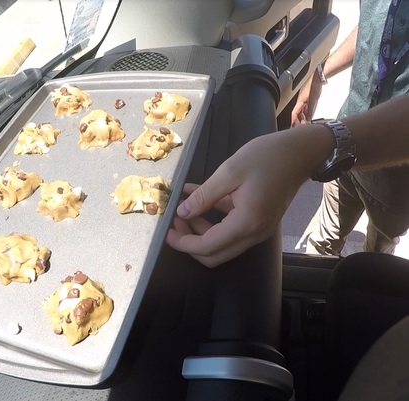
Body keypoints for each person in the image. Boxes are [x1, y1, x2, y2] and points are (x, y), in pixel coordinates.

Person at [165, 93, 409, 268]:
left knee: (375, 259)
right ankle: (320, 269)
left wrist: (305, 150)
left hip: (393, 190)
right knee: (326, 234)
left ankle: (364, 270)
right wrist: (321, 70)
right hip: (342, 164)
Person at [291, 0, 409, 256]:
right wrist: (321, 72)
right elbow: (373, 25)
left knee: (374, 263)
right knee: (321, 245)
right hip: (344, 145)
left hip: (395, 182)